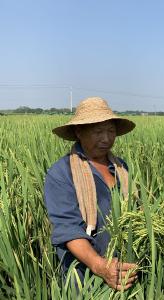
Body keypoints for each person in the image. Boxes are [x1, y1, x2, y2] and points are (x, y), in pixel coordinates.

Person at [44, 97, 138, 290]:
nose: (106, 139)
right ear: (79, 132)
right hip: (84, 276)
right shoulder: (61, 173)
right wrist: (100, 267)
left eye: (111, 131)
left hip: (125, 270)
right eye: (98, 132)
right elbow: (67, 228)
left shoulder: (120, 167)